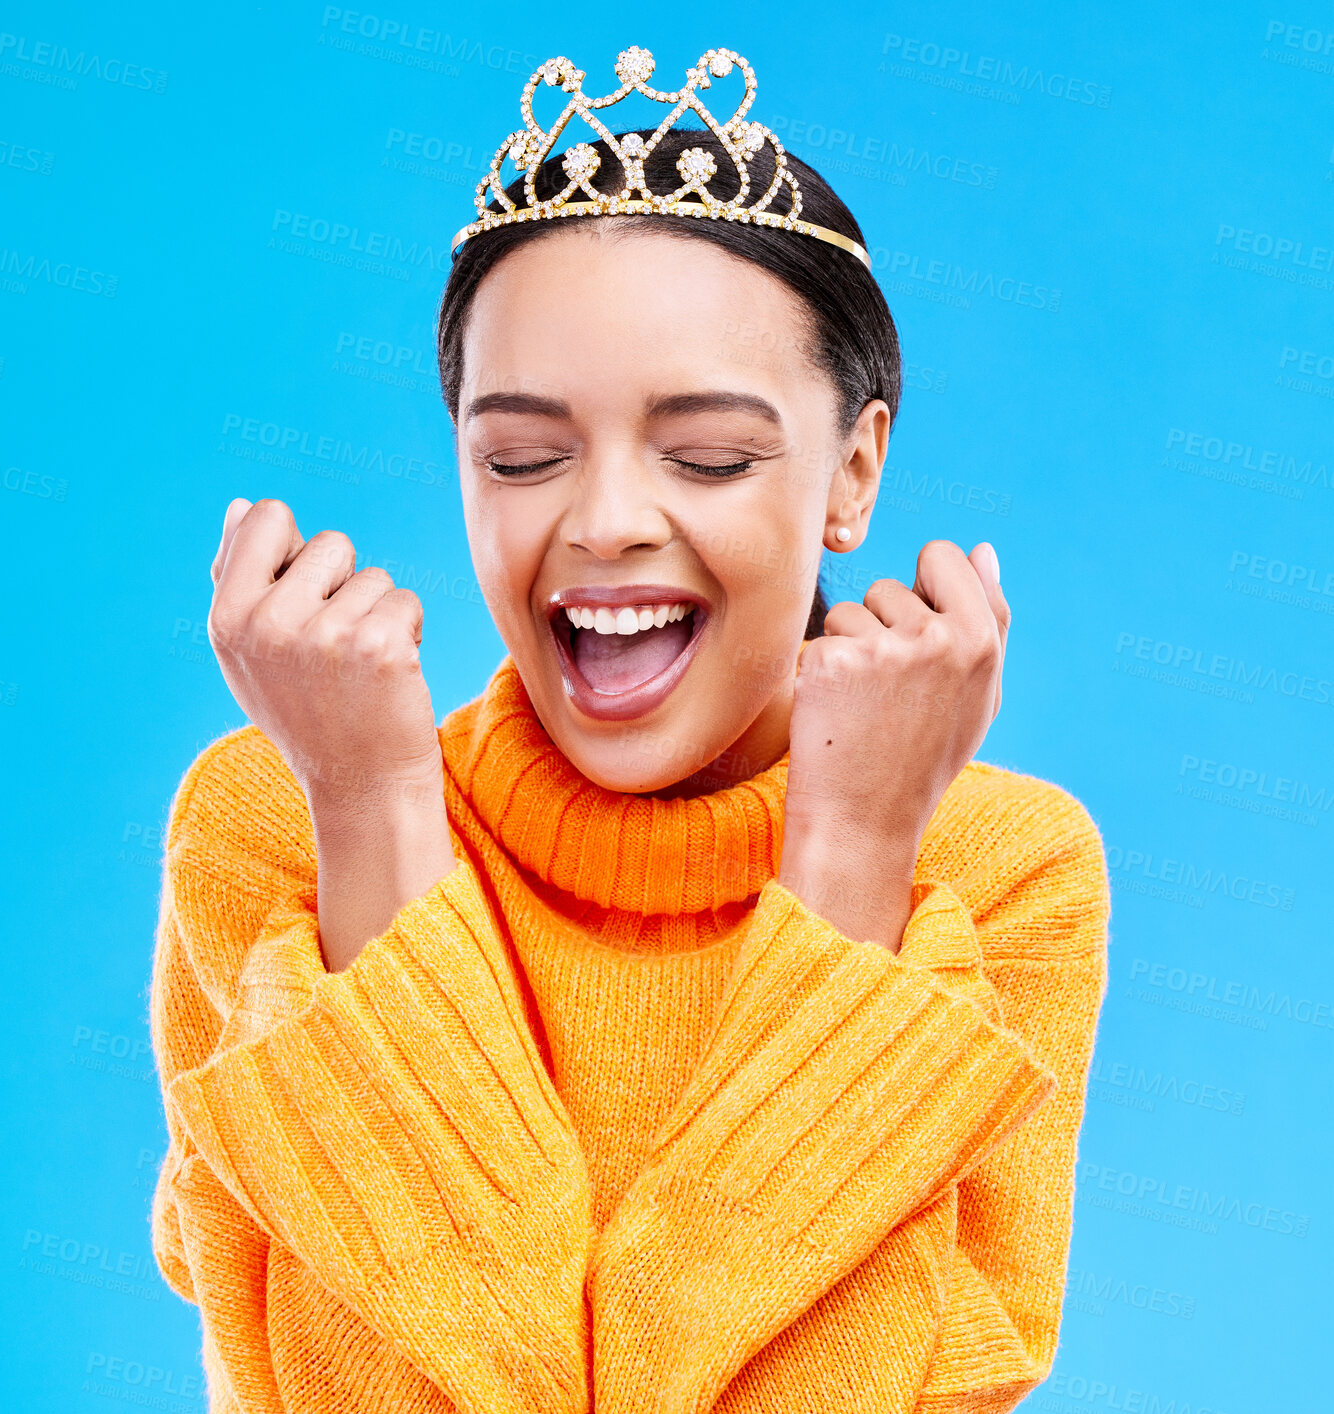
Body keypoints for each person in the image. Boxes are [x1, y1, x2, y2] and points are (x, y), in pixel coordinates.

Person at [149, 48, 1109, 1414]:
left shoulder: (997, 867)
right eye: (521, 456)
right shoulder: (281, 817)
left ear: (852, 471)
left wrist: (851, 854)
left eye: (707, 455)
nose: (599, 521)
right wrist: (369, 808)